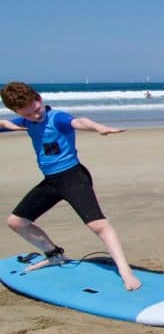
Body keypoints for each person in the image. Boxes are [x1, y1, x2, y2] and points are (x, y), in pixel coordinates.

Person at [1, 81, 142, 290]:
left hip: (73, 177)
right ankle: (55, 255)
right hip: (51, 182)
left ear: (39, 99)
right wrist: (5, 123)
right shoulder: (25, 121)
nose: (35, 116)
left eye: (36, 110)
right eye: (27, 114)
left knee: (97, 225)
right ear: (18, 112)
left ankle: (125, 271)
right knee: (16, 223)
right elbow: (7, 125)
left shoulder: (56, 118)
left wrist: (98, 127)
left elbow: (79, 122)